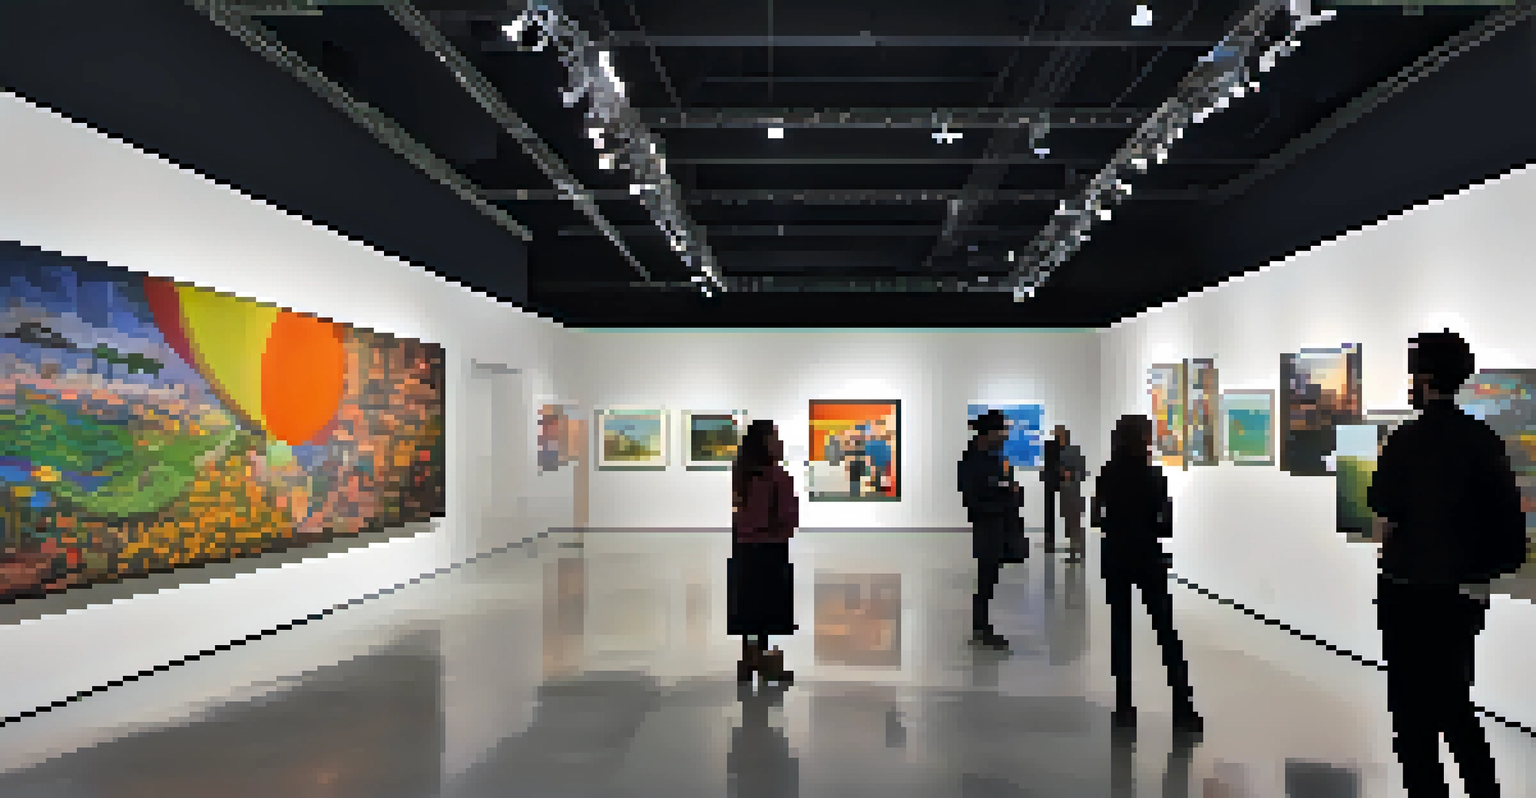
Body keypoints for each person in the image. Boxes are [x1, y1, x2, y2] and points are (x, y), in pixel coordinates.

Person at [1367, 330, 1525, 798]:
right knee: (1456, 703)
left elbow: (1384, 512)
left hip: (1407, 591)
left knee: (1411, 716)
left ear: (1426, 377)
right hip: (1461, 594)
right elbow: (1507, 524)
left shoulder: (1405, 441)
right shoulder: (1483, 441)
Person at [1091, 414, 1201, 735]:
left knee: (1120, 631)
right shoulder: (1153, 476)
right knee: (1166, 633)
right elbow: (1165, 524)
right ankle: (1183, 708)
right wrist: (1148, 526)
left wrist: (1116, 525)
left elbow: (1097, 517)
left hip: (1115, 556)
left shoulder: (1107, 474)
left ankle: (1124, 707)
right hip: (1146, 556)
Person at [729, 419, 799, 685]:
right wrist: (783, 529)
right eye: (775, 438)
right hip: (770, 549)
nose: (780, 444)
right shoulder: (775, 476)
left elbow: (741, 514)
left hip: (746, 549)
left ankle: (750, 659)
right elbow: (786, 516)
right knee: (766, 609)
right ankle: (764, 663)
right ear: (764, 443)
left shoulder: (743, 473)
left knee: (750, 609)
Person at [959, 410, 1025, 649]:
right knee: (986, 577)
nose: (1005, 436)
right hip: (987, 526)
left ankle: (982, 626)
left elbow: (1001, 484)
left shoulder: (995, 458)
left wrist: (1010, 491)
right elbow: (973, 500)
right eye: (1001, 431)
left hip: (1000, 525)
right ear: (988, 434)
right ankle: (981, 628)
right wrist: (1004, 496)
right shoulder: (972, 461)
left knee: (990, 577)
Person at [1058, 427, 1088, 561]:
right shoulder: (1073, 452)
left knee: (1072, 523)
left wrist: (1069, 476)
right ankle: (1077, 552)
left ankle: (1076, 552)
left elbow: (1078, 472)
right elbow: (1082, 472)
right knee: (1073, 523)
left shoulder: (1067, 452)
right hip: (1073, 492)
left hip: (1070, 492)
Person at [1042, 426, 1064, 553]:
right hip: (1051, 480)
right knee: (1049, 511)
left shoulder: (1064, 448)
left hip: (1054, 480)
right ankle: (1049, 540)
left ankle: (1051, 540)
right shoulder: (1051, 446)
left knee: (1063, 511)